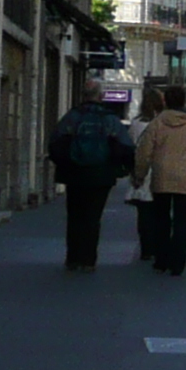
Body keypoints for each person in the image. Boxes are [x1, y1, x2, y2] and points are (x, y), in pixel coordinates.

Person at [136, 83, 186, 276]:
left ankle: (161, 260)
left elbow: (144, 152)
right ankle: (178, 263)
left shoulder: (157, 123)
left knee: (161, 220)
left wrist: (140, 175)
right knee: (182, 221)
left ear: (166, 101)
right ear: (184, 101)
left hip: (161, 176)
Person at [47, 91, 130, 270]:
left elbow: (55, 143)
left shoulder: (72, 117)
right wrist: (122, 169)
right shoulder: (110, 119)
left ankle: (73, 258)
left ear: (84, 97)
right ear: (100, 97)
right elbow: (126, 146)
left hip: (74, 174)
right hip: (101, 176)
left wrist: (64, 165)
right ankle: (88, 260)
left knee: (74, 216)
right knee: (93, 217)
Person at [122, 87, 159, 264]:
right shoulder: (161, 124)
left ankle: (146, 248)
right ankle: (157, 246)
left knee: (143, 214)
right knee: (159, 212)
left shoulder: (136, 124)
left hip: (140, 172)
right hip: (159, 171)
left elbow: (130, 147)